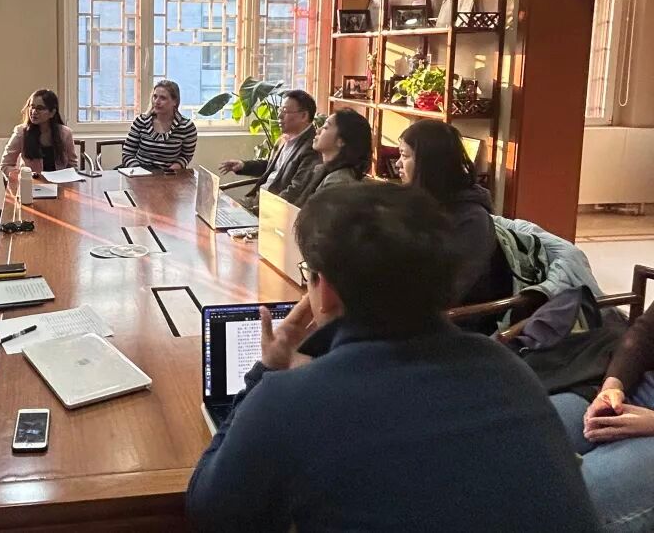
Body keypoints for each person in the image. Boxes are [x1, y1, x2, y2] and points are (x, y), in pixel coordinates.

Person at [186, 184, 599, 533]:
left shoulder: (290, 400)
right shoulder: (507, 369)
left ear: (324, 290)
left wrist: (266, 372)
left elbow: (212, 511)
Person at [550, 299, 654, 531]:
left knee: (573, 499)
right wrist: (612, 386)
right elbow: (645, 334)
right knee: (515, 443)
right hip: (636, 388)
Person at [396, 119, 509, 307]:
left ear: (429, 164)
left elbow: (448, 291)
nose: (398, 164)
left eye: (404, 156)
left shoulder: (472, 220)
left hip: (454, 317)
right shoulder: (417, 203)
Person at [218, 89, 319, 206]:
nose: (279, 116)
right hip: (257, 200)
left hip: (271, 209)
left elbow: (294, 192)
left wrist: (258, 209)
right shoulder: (284, 139)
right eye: (280, 110)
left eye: (285, 111)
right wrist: (243, 165)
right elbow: (270, 166)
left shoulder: (312, 148)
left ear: (304, 116)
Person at [290, 108, 371, 206]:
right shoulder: (322, 170)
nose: (318, 130)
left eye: (325, 127)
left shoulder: (339, 181)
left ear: (341, 141)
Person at [0, 89, 78, 179]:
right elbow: (5, 165)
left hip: (60, 184)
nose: (34, 112)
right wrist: (24, 177)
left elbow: (72, 165)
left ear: (52, 113)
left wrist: (68, 180)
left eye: (40, 108)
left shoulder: (65, 133)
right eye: (32, 107)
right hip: (32, 184)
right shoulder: (21, 132)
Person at [121, 79, 198, 171]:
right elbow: (127, 154)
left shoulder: (186, 127)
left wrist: (172, 169)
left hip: (167, 174)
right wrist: (139, 171)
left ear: (175, 102)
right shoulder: (141, 121)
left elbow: (186, 156)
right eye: (155, 97)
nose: (156, 102)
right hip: (139, 171)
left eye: (163, 98)